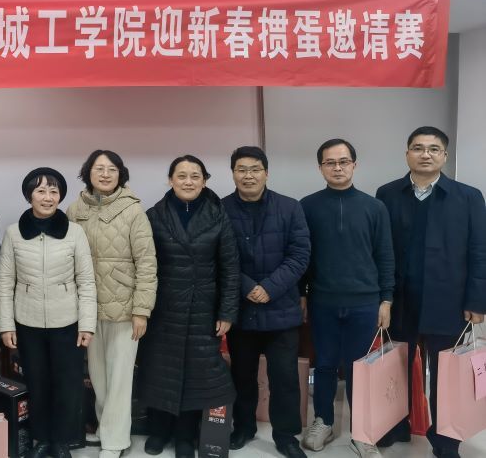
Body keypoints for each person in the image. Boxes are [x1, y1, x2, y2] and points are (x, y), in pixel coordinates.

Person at [375, 127, 486, 458]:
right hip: (400, 300)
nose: (426, 154)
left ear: (444, 156)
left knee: (447, 375)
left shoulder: (468, 197)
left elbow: (480, 251)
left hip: (449, 300)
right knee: (395, 368)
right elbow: (380, 250)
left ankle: (446, 440)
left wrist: (477, 300)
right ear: (407, 153)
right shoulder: (387, 193)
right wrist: (383, 297)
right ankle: (396, 426)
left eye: (434, 149)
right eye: (418, 148)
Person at [137, 155, 239, 458]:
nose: (188, 181)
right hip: (163, 309)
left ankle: (185, 435)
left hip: (202, 309)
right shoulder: (154, 215)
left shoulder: (218, 215)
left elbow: (230, 268)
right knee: (160, 371)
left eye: (195, 176)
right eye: (181, 176)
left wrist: (227, 312)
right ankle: (159, 430)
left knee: (197, 375)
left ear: (204, 181)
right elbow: (143, 265)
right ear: (171, 180)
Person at [299, 138, 394, 458]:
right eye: (330, 162)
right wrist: (301, 295)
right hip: (322, 300)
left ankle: (362, 431)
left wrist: (386, 300)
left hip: (365, 303)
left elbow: (385, 256)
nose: (337, 168)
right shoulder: (307, 206)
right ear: (320, 167)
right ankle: (323, 421)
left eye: (343, 161)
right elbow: (301, 256)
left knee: (360, 369)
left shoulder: (374, 207)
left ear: (354, 164)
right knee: (325, 364)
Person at [0, 167, 97, 458]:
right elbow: (5, 282)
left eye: (54, 191)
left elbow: (86, 281)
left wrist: (87, 324)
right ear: (30, 196)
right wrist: (6, 325)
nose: (48, 197)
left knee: (67, 385)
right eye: (41, 191)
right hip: (27, 321)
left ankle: (62, 441)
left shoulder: (75, 232)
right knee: (37, 383)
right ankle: (41, 439)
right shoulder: (14, 233)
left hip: (67, 322)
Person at [220, 146, 310, 458]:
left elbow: (300, 255)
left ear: (266, 173)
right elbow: (219, 256)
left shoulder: (290, 207)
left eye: (255, 169)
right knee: (242, 376)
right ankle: (243, 428)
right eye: (241, 169)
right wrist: (247, 286)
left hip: (280, 307)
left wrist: (270, 287)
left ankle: (286, 436)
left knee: (284, 378)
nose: (248, 175)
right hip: (241, 309)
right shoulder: (220, 209)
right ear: (233, 174)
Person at [65, 150, 156, 458]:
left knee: (119, 378)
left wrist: (141, 310)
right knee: (98, 376)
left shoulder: (133, 210)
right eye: (99, 168)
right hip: (88, 308)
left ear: (121, 174)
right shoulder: (75, 209)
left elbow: (147, 263)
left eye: (112, 169)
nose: (105, 174)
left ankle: (115, 441)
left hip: (124, 308)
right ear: (88, 173)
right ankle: (108, 429)